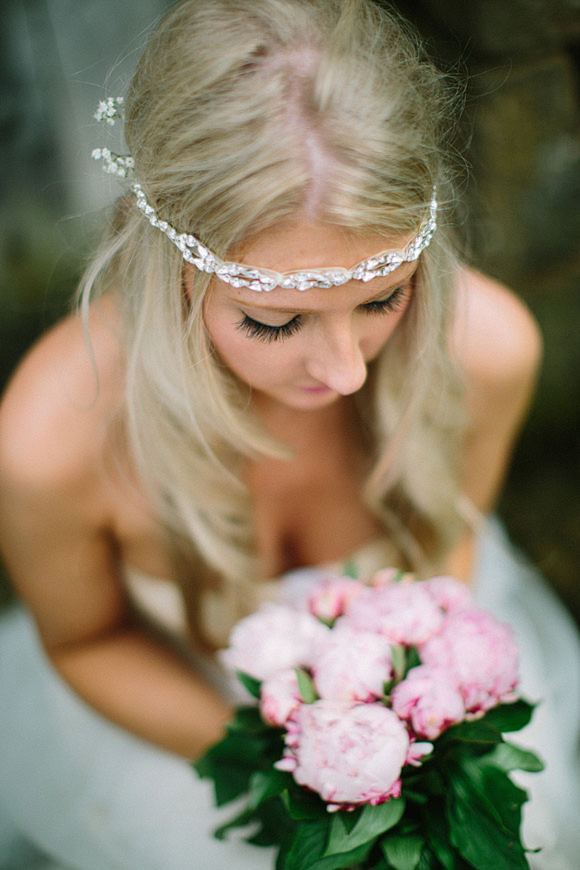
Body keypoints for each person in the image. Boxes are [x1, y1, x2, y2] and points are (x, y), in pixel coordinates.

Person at [0, 0, 578, 868]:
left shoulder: (487, 353)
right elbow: (86, 640)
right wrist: (299, 763)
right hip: (179, 726)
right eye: (276, 322)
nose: (347, 371)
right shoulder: (51, 443)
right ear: (174, 269)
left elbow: (453, 544)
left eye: (383, 299)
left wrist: (405, 711)